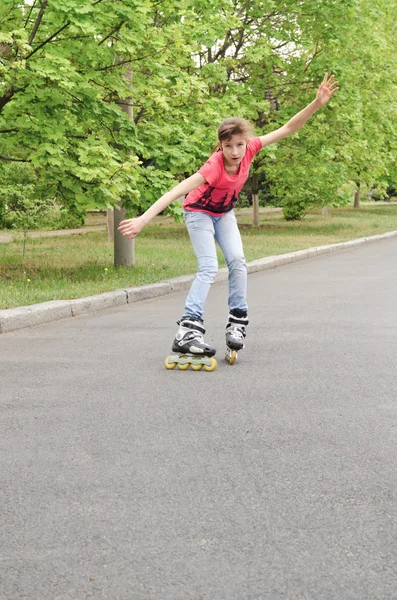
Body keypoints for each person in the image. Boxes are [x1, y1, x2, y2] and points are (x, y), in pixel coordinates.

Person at [118, 73, 339, 361]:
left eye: (239, 145)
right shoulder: (214, 166)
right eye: (227, 146)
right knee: (209, 267)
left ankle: (237, 322)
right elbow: (177, 191)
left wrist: (316, 103)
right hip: (198, 214)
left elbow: (288, 128)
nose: (234, 152)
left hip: (223, 214)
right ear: (220, 146)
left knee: (238, 261)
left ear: (246, 143)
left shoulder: (252, 148)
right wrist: (143, 220)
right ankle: (187, 330)